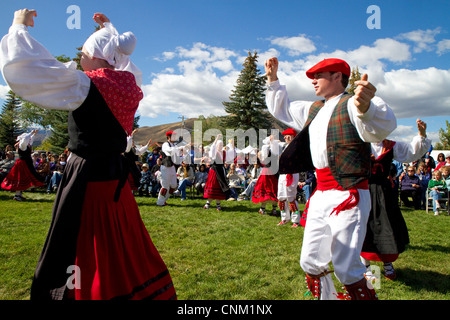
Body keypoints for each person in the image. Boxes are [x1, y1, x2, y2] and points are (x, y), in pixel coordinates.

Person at [1, 9, 176, 300]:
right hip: (114, 179)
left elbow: (29, 71)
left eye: (85, 52)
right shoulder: (130, 86)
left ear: (96, 56)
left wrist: (19, 28)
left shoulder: (86, 84)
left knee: (82, 239)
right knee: (118, 241)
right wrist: (108, 29)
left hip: (86, 177)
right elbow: (122, 61)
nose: (81, 57)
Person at [265, 56, 396, 300]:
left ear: (338, 76)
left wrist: (366, 107)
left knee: (347, 268)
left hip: (350, 192)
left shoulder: (354, 103)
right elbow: (282, 108)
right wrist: (273, 80)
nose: (313, 81)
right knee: (311, 261)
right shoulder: (314, 108)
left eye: (319, 76)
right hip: (321, 194)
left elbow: (381, 126)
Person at [361, 119, 431, 282]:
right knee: (364, 227)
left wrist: (421, 135)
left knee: (387, 226)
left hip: (384, 193)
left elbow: (412, 152)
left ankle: (387, 264)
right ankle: (366, 266)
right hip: (364, 190)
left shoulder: (391, 146)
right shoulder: (360, 144)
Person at [1, 130, 45, 200]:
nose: (29, 139)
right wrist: (31, 133)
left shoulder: (26, 144)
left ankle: (19, 194)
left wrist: (34, 134)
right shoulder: (22, 145)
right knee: (20, 179)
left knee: (24, 179)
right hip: (22, 164)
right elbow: (26, 139)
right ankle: (17, 195)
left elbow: (30, 140)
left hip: (26, 163)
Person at [276, 128, 301, 227]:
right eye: (285, 135)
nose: (285, 137)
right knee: (281, 197)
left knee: (291, 197)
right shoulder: (284, 147)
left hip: (292, 174)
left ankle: (296, 220)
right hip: (283, 174)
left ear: (293, 136)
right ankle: (284, 218)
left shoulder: (297, 147)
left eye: (287, 135)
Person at [251, 135, 279, 216]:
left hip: (270, 172)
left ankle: (267, 209)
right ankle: (269, 209)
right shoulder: (270, 148)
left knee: (269, 189)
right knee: (270, 189)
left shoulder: (269, 148)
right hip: (271, 171)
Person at [157, 130, 184, 206]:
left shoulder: (174, 145)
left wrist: (182, 155)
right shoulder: (165, 144)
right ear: (168, 137)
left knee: (174, 186)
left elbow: (177, 158)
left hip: (172, 166)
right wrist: (179, 149)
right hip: (165, 167)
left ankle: (164, 200)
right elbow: (169, 151)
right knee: (165, 186)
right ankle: (160, 202)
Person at [203, 134, 230, 211]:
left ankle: (217, 205)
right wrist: (217, 138)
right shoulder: (214, 152)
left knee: (220, 187)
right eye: (219, 145)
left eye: (222, 145)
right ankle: (208, 204)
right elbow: (212, 147)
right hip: (214, 171)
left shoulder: (224, 152)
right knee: (213, 187)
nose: (220, 146)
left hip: (221, 170)